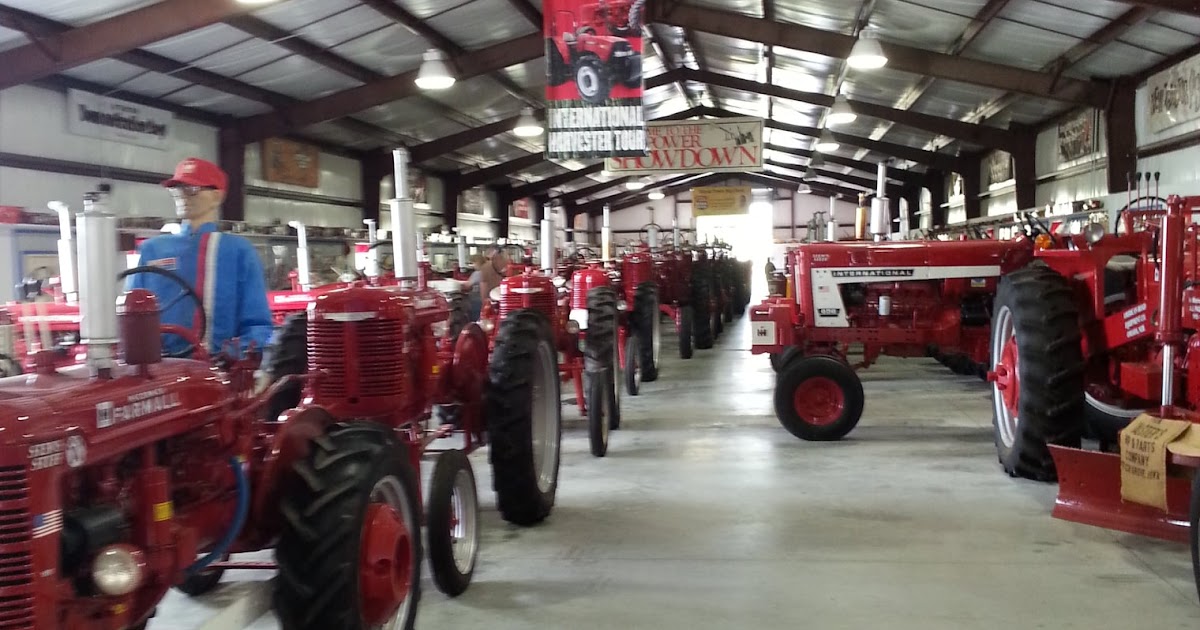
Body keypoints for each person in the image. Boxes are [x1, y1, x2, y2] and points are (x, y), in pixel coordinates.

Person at [127, 157, 274, 358]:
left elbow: (258, 324)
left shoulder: (238, 251)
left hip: (220, 369)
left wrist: (232, 354)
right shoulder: (152, 250)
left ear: (217, 196)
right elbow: (131, 313)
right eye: (177, 189)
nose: (182, 196)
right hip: (161, 368)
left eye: (192, 189)